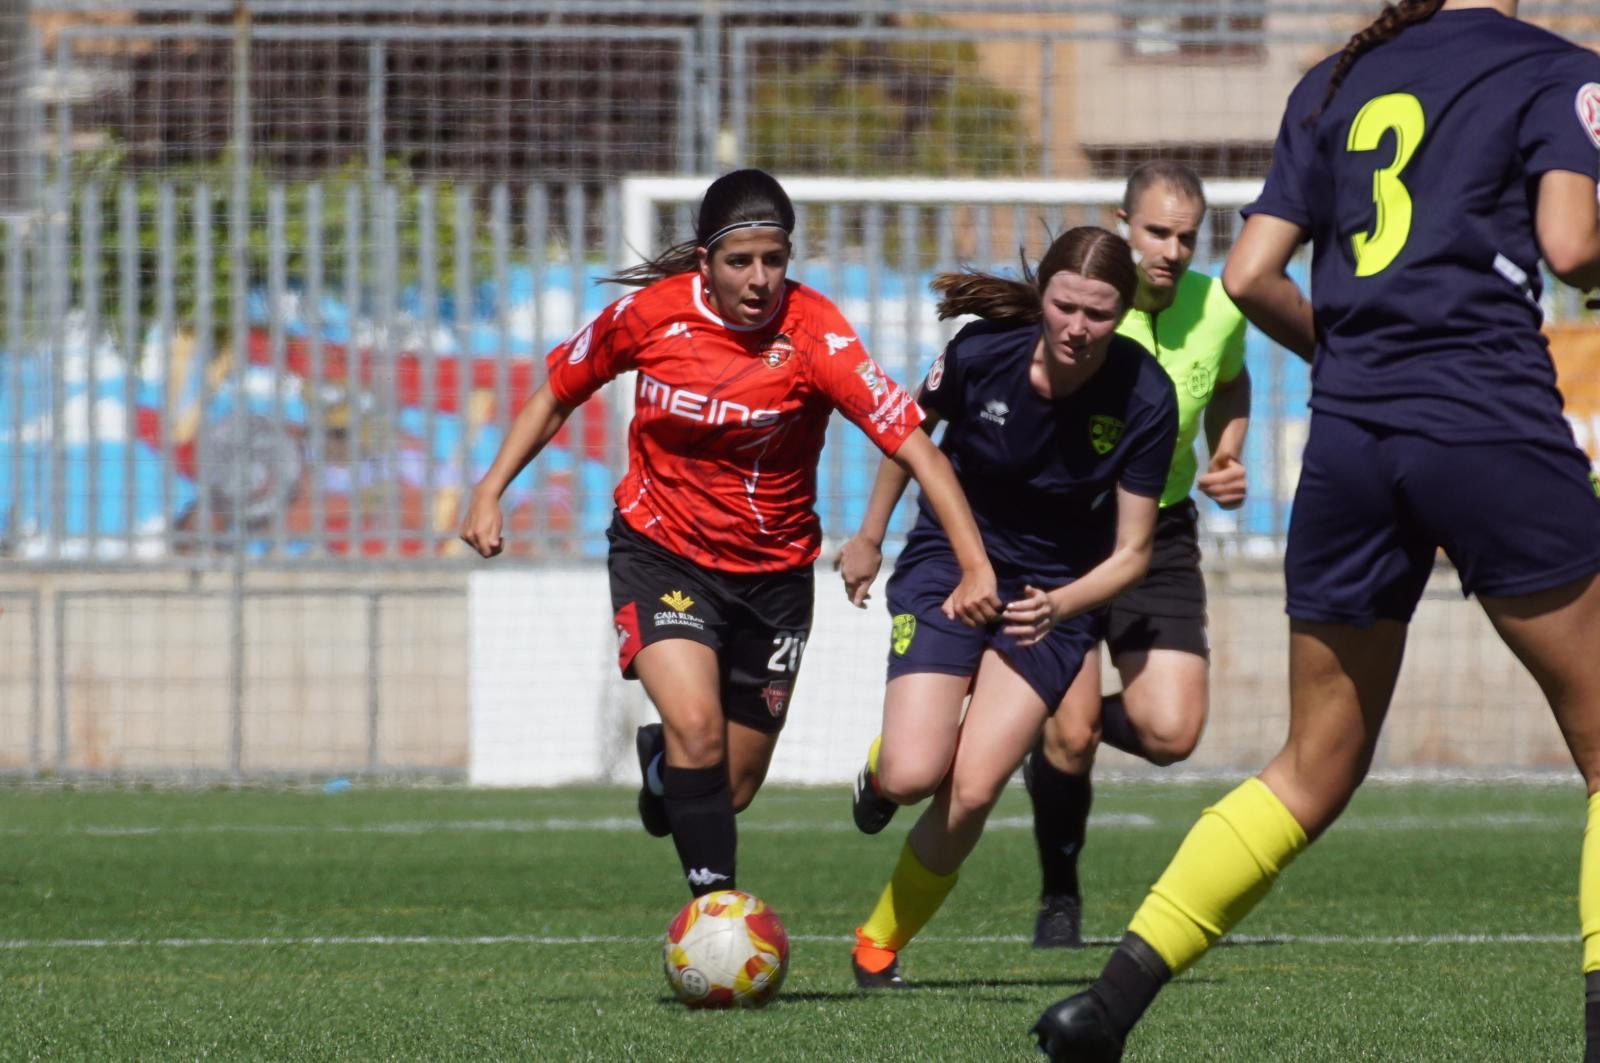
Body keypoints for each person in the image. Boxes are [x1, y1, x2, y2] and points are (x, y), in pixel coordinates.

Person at [1033, 2, 1600, 1059]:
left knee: (1311, 766)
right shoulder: (1555, 67)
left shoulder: (1334, 78)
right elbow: (1572, 246)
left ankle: (1104, 1007)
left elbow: (1250, 275)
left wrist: (1356, 361)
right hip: (1485, 419)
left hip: (1349, 446)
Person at [460, 168, 1002, 898]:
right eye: (739, 261)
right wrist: (490, 488)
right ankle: (717, 915)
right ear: (705, 261)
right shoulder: (649, 315)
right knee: (697, 726)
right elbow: (559, 392)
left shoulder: (816, 332)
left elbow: (917, 449)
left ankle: (663, 767)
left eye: (773, 260)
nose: (759, 279)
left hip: (773, 576)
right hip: (661, 552)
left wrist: (973, 565)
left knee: (732, 785)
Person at [836, 226, 1179, 987]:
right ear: (1043, 295)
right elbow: (908, 438)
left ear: (1124, 312)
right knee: (915, 771)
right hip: (949, 560)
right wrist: (869, 536)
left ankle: (878, 944)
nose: (1078, 328)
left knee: (974, 788)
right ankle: (883, 772)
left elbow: (1132, 553)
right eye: (1064, 306)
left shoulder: (1146, 396)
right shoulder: (981, 351)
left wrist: (1060, 604)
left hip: (1052, 594)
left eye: (1099, 313)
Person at [1024, 161, 1251, 950]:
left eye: (1187, 237)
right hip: (1065, 536)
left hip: (1161, 532)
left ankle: (1044, 726)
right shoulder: (1084, 308)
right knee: (1073, 732)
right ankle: (1059, 892)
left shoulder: (1220, 307)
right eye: (1157, 232)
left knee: (1170, 730)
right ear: (1122, 225)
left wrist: (1227, 451)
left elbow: (1232, 380)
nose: (1173, 251)